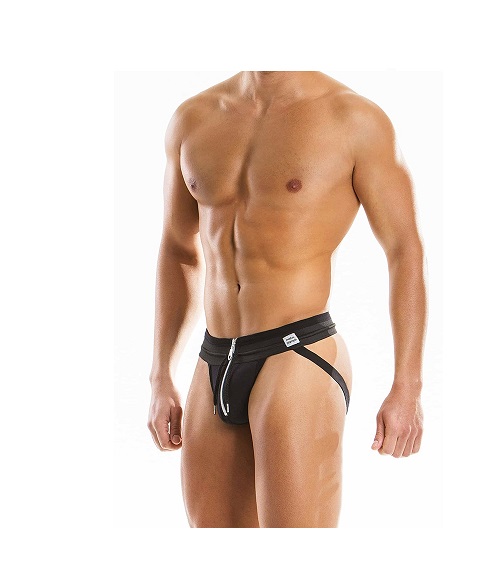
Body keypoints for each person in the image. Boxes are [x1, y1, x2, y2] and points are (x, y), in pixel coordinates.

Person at [147, 71, 427, 528]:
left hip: (297, 352)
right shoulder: (193, 118)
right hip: (215, 356)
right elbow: (178, 249)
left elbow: (405, 250)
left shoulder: (353, 119)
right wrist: (160, 376)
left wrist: (407, 388)